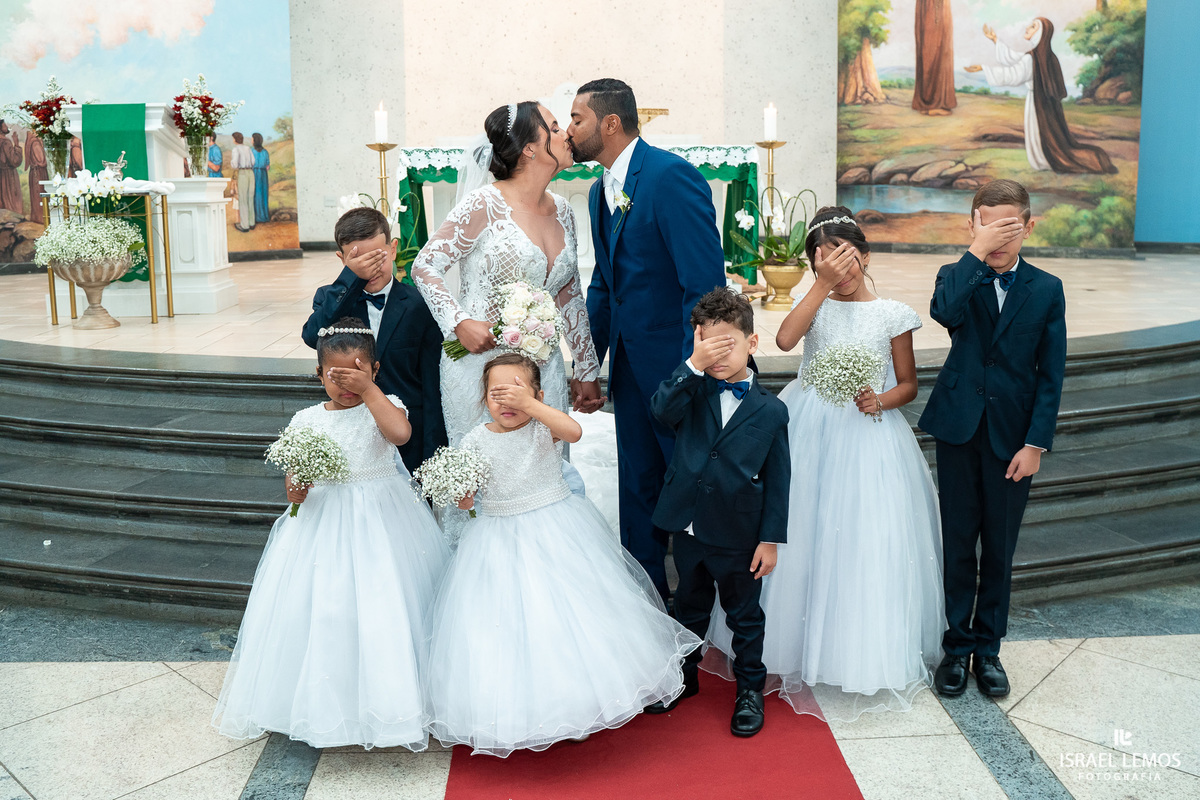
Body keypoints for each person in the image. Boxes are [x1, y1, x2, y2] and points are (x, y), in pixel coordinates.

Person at [708, 208, 945, 722]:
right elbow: (786, 341)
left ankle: (852, 651)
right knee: (800, 528)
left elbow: (908, 384)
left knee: (860, 538)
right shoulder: (811, 300)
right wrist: (819, 285)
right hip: (808, 425)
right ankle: (784, 647)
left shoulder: (892, 313)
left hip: (867, 437)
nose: (841, 266)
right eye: (826, 257)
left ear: (865, 253)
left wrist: (880, 399)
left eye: (847, 255)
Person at [424, 353, 699, 756]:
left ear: (536, 394)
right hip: (496, 538)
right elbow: (468, 501)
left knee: (569, 621)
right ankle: (526, 708)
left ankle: (579, 704)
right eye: (496, 394)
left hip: (557, 530)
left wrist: (531, 405)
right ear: (483, 399)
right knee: (513, 626)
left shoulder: (543, 428)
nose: (507, 402)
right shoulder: (475, 439)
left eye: (516, 391)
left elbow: (574, 432)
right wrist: (460, 491)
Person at [212, 321, 451, 750]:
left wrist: (370, 391)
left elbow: (400, 435)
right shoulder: (305, 418)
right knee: (327, 609)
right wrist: (296, 489)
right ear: (319, 373)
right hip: (325, 521)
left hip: (384, 520)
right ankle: (328, 703)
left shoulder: (385, 404)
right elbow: (295, 478)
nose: (345, 385)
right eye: (335, 376)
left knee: (388, 606)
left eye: (356, 374)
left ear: (375, 370)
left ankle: (395, 701)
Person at [407, 101, 601, 539]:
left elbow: (569, 293)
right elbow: (425, 266)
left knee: (544, 472)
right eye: (554, 127)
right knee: (481, 479)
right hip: (478, 366)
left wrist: (586, 368)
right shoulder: (485, 204)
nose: (566, 133)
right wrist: (458, 322)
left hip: (542, 367)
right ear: (531, 148)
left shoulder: (563, 211)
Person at [568, 78, 727, 601]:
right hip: (632, 373)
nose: (570, 131)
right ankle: (647, 605)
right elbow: (603, 286)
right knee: (637, 486)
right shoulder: (598, 191)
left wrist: (692, 370)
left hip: (678, 370)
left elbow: (704, 286)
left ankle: (700, 613)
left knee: (689, 489)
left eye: (577, 119)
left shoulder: (670, 177)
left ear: (610, 124)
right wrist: (588, 365)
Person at [919, 180, 1067, 699]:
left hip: (1013, 441)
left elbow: (1050, 375)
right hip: (960, 430)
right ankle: (956, 647)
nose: (1001, 237)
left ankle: (989, 649)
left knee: (999, 550)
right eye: (990, 225)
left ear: (1029, 227)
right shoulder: (957, 276)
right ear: (973, 225)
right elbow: (945, 313)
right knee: (958, 543)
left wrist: (1036, 444)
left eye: (1011, 227)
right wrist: (977, 253)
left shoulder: (1047, 289)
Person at [647, 289, 790, 738]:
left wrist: (770, 539)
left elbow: (780, 481)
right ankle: (683, 677)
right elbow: (660, 410)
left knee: (744, 616)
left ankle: (749, 689)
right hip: (688, 526)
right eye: (709, 344)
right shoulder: (691, 390)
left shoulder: (772, 410)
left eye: (727, 343)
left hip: (739, 533)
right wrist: (693, 364)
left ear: (752, 341)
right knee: (687, 606)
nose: (718, 355)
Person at [302, 207, 447, 474]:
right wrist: (350, 279)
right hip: (350, 439)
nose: (370, 269)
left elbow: (431, 385)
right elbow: (312, 336)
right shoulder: (331, 298)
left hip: (407, 436)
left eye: (377, 258)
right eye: (359, 261)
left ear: (393, 249)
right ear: (342, 258)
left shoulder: (420, 305)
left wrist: (433, 455)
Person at [966, 18, 1116, 174]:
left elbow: (1014, 74)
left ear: (1040, 33)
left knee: (1039, 132)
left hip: (1036, 104)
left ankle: (1044, 160)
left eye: (1032, 27)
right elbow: (1016, 58)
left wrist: (984, 69)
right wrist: (995, 40)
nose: (1027, 28)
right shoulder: (1047, 57)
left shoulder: (1032, 58)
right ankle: (1044, 159)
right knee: (1052, 135)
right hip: (1050, 105)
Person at [913, 0, 956, 115]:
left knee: (941, 51)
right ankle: (927, 103)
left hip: (940, 8)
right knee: (927, 50)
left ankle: (940, 103)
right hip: (927, 7)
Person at [230, 132, 256, 231]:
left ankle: (244, 225)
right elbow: (253, 161)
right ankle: (251, 222)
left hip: (243, 173)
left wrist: (232, 163)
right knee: (250, 197)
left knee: (243, 199)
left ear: (235, 139)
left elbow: (235, 165)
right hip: (251, 172)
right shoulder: (248, 148)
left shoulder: (235, 149)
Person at [0, 122, 23, 215]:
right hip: (8, 174)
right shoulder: (6, 142)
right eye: (4, 126)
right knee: (10, 197)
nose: (7, 127)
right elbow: (14, 161)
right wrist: (16, 144)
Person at [25, 132, 47, 224]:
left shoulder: (33, 142)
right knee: (39, 194)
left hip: (36, 173)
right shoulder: (35, 143)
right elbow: (41, 160)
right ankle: (40, 218)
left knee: (37, 194)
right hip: (38, 174)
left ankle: (39, 217)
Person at [251, 132, 270, 222]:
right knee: (263, 194)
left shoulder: (252, 151)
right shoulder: (265, 151)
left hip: (254, 173)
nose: (251, 140)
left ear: (255, 140)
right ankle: (264, 216)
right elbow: (267, 166)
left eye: (252, 139)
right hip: (263, 174)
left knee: (256, 194)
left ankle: (257, 217)